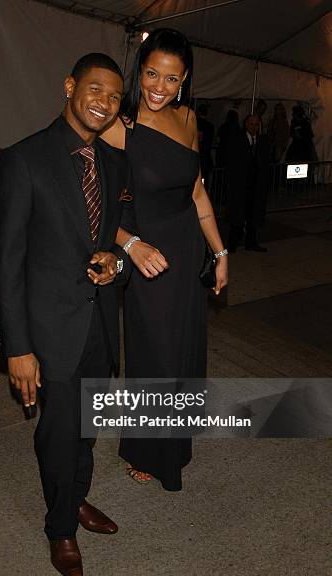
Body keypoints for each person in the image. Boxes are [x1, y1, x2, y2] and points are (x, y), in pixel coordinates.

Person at [0, 54, 133, 576]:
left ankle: (75, 499)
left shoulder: (113, 163)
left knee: (88, 426)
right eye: (96, 90)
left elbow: (114, 236)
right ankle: (59, 529)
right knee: (59, 430)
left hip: (98, 323)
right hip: (47, 330)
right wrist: (16, 348)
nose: (104, 103)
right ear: (70, 86)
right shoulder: (22, 160)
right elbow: (5, 265)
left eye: (115, 97)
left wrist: (114, 263)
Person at [101, 29, 228, 491]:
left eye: (171, 79)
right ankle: (146, 447)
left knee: (183, 353)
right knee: (153, 357)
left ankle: (175, 439)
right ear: (141, 70)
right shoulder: (121, 124)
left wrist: (220, 252)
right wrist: (131, 244)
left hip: (186, 250)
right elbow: (89, 204)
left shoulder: (190, 119)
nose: (159, 87)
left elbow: (197, 193)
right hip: (148, 257)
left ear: (185, 79)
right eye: (152, 73)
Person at [226, 114, 271, 252]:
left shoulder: (262, 141)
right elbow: (232, 162)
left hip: (256, 187)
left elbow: (265, 162)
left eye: (257, 124)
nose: (254, 127)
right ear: (246, 124)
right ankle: (232, 245)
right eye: (252, 124)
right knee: (238, 218)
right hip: (240, 186)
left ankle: (251, 243)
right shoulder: (237, 140)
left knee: (253, 217)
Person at [196, 103, 215, 190]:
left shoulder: (195, 123)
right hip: (205, 158)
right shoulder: (210, 126)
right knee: (203, 181)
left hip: (197, 157)